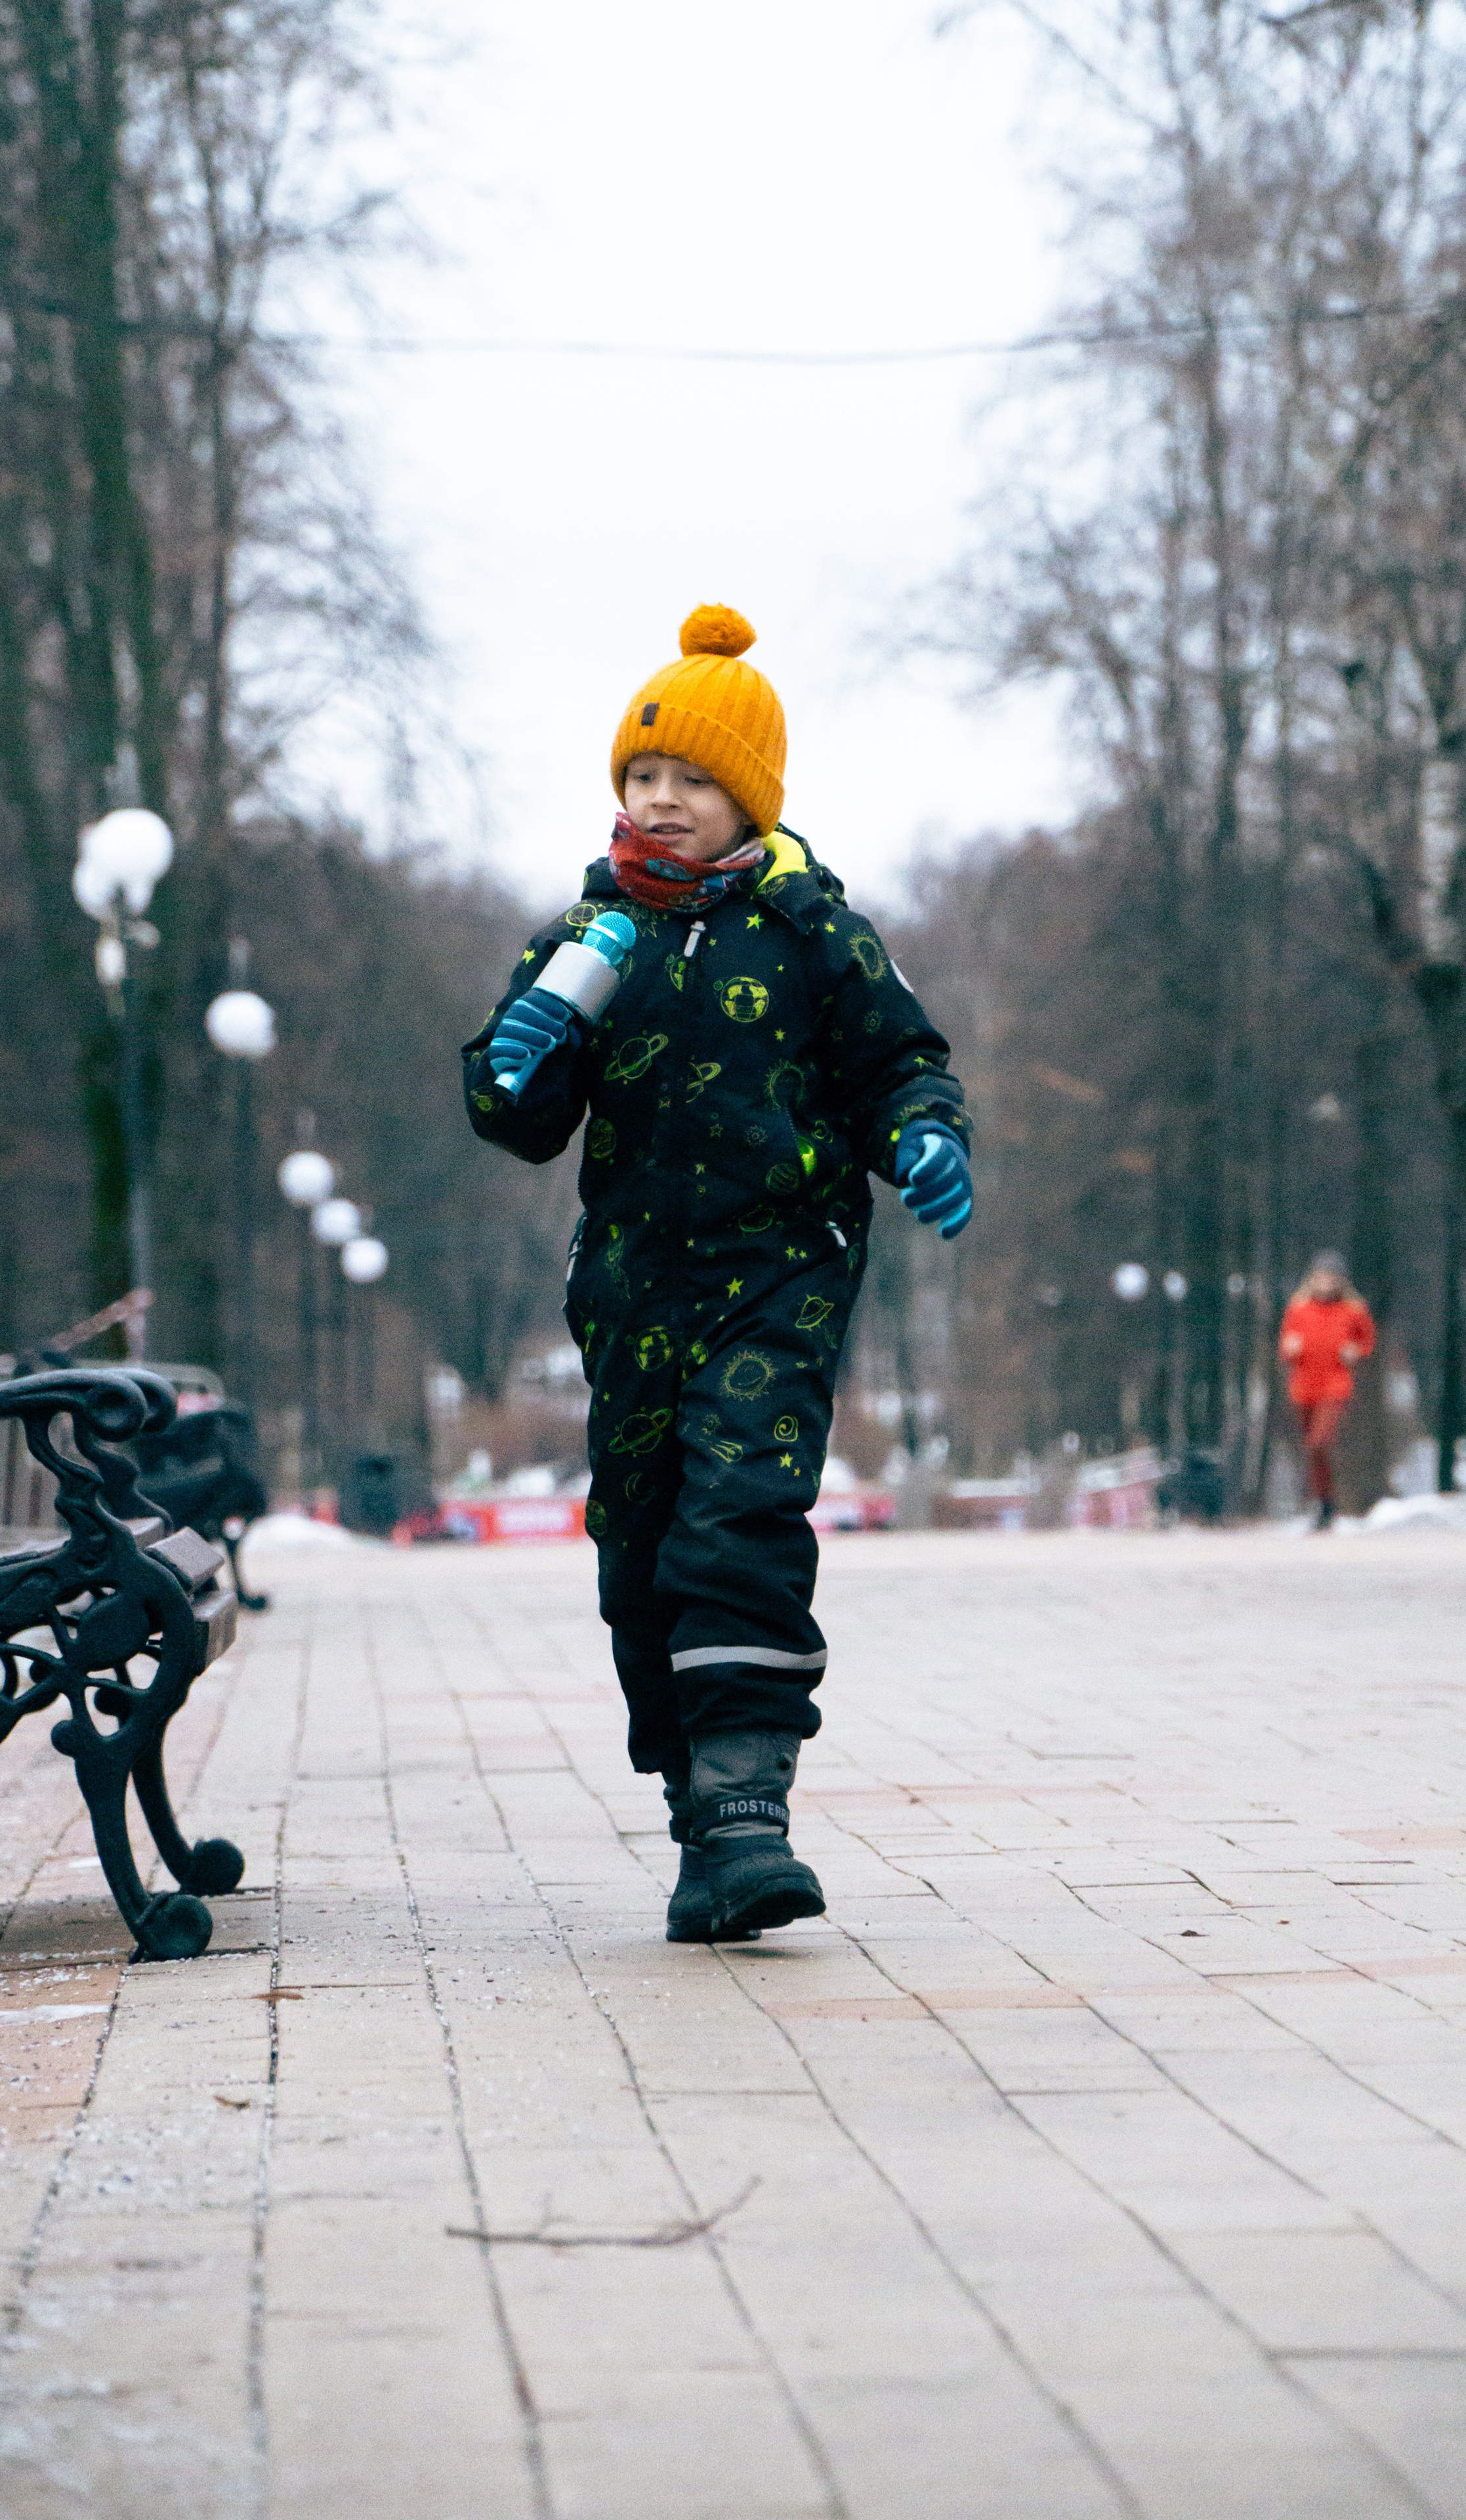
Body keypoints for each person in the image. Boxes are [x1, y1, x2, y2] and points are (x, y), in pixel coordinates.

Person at [462, 604, 973, 1942]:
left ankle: (750, 1811)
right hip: (631, 1295)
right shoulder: (590, 939)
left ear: (744, 794)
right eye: (641, 777)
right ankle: (701, 1817)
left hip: (778, 1277)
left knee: (735, 1523)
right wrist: (517, 1049)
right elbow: (515, 1118)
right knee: (638, 1553)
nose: (661, 801)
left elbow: (899, 1060)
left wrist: (923, 1134)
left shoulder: (812, 930)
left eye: (689, 779)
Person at [1278, 1252, 1376, 1528]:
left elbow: (1367, 1341)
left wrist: (1355, 1351)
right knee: (1312, 1449)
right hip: (1304, 1386)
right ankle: (1324, 1502)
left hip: (1335, 1384)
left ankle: (1324, 1502)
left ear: (1341, 1281)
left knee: (1319, 1442)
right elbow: (1285, 1345)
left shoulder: (1354, 1310)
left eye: (1332, 1277)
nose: (1326, 1282)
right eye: (1321, 1276)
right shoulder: (1298, 1308)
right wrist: (1290, 1348)